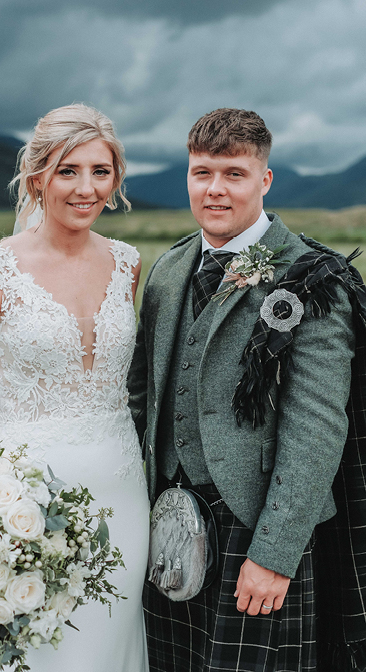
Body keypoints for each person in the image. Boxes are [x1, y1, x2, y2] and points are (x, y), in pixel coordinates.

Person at [129, 108, 357, 671]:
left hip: (256, 527)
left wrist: (275, 555)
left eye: (234, 174)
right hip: (167, 525)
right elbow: (143, 399)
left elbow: (317, 426)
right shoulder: (168, 270)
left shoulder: (312, 278)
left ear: (265, 180)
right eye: (202, 173)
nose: (215, 190)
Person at [0, 103, 150, 671]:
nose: (87, 188)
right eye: (68, 171)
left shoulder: (128, 264)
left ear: (116, 178)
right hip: (24, 504)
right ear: (37, 178)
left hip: (124, 498)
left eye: (101, 172)